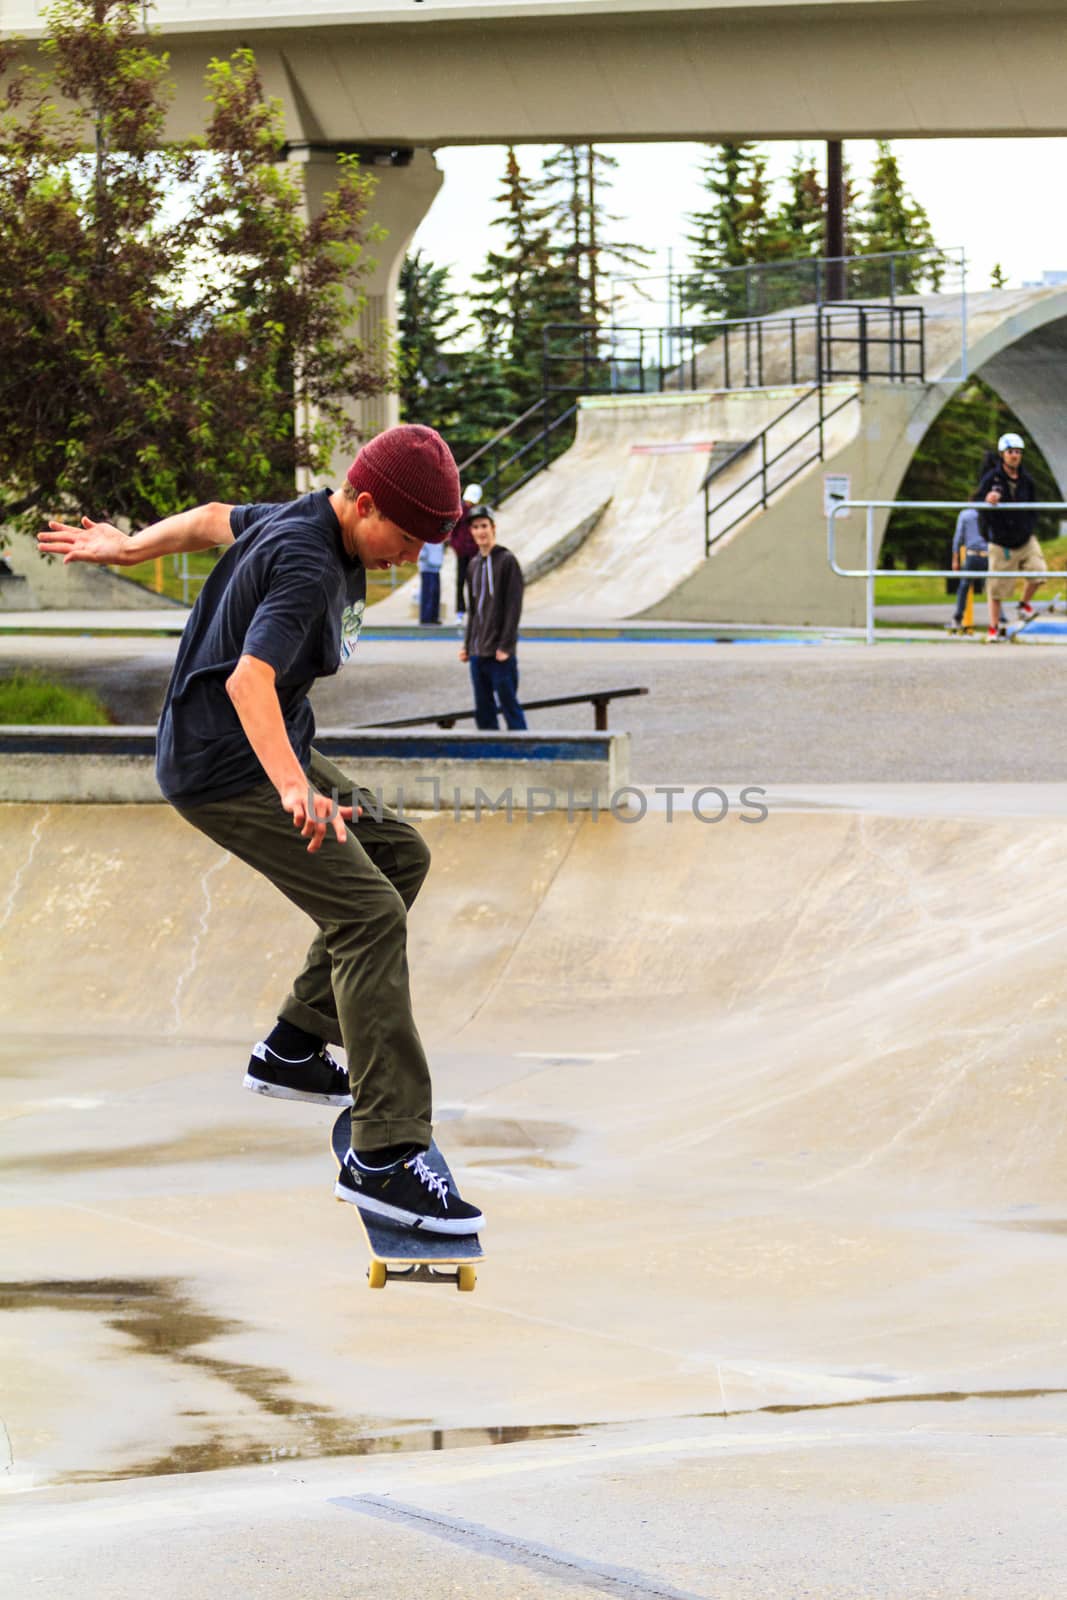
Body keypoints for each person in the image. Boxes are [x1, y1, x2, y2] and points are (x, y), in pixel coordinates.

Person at [37, 424, 483, 1237]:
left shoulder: (303, 516)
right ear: (367, 501)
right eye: (407, 536)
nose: (404, 556)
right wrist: (294, 792)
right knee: (368, 914)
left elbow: (211, 517)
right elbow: (250, 683)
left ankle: (292, 1045)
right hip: (227, 768)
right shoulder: (311, 563)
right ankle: (386, 1154)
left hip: (264, 747)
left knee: (397, 852)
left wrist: (131, 547)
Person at [458, 505, 527, 730]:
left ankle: (522, 751)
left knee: (509, 705)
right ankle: (490, 755)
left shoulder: (507, 561)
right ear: (471, 531)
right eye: (476, 527)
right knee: (483, 710)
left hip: (499, 653)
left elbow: (513, 607)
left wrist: (506, 645)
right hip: (478, 652)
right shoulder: (473, 565)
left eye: (484, 526)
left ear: (493, 528)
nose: (481, 531)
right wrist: (468, 645)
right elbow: (474, 611)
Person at [975, 432, 1045, 643]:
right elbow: (979, 503)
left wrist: (1029, 526)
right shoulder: (991, 478)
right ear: (1002, 454)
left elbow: (1033, 507)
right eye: (1010, 452)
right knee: (996, 588)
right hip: (1001, 540)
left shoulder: (1027, 480)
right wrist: (987, 500)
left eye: (1018, 452)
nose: (1015, 456)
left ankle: (1024, 605)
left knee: (1039, 571)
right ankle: (993, 628)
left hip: (1024, 537)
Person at [946, 503, 988, 634]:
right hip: (989, 554)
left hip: (972, 555)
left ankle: (958, 617)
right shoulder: (990, 512)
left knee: (964, 585)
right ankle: (1000, 619)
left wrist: (955, 559)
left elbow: (958, 537)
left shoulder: (965, 514)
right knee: (992, 588)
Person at [448, 481, 482, 625]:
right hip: (462, 552)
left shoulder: (477, 512)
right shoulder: (460, 512)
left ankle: (475, 611)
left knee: (474, 582)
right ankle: (460, 612)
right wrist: (457, 547)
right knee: (460, 582)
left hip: (474, 552)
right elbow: (452, 532)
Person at [417, 533, 444, 625]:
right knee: (428, 593)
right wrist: (426, 558)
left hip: (436, 568)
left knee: (436, 593)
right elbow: (420, 548)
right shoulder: (426, 531)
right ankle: (425, 618)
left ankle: (434, 617)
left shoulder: (439, 533)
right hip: (427, 568)